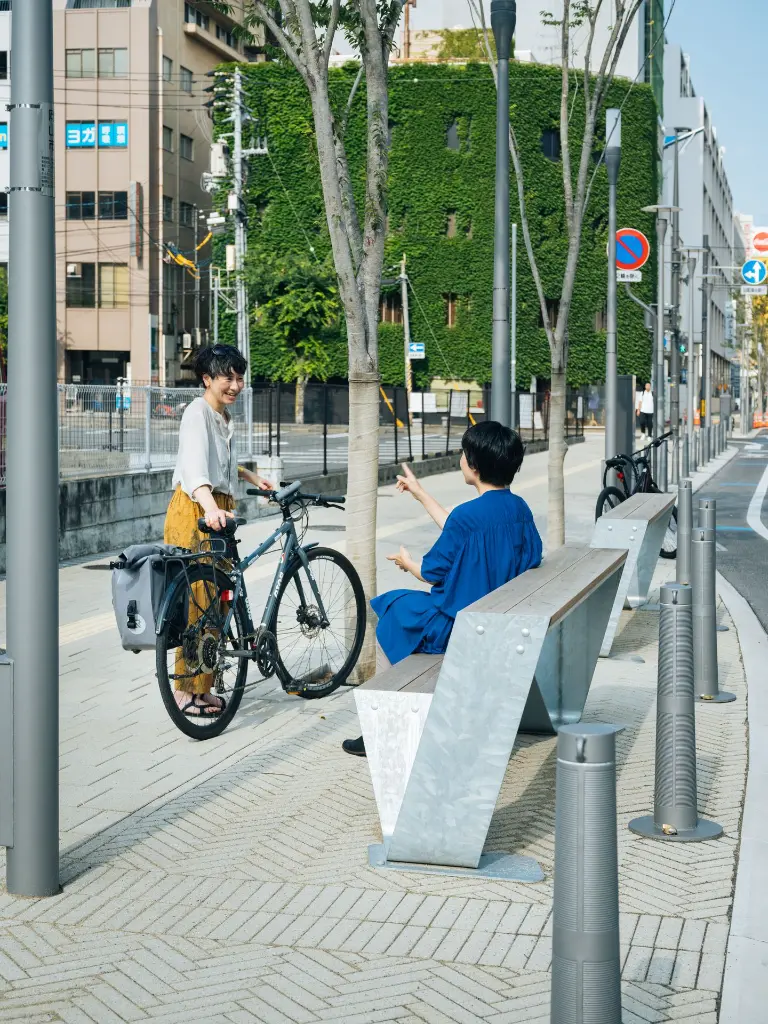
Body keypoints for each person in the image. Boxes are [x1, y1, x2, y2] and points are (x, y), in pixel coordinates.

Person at [342, 420, 543, 757]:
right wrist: (420, 493)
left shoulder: (468, 517)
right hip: (499, 620)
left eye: (465, 454)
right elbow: (467, 531)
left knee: (390, 607)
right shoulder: (518, 509)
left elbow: (432, 572)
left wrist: (408, 564)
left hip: (457, 627)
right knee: (399, 607)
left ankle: (382, 728)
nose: (461, 460)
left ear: (474, 465)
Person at [164, 344, 273, 718]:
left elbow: (222, 462)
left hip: (217, 510)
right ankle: (185, 692)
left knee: (217, 602)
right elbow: (196, 471)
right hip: (196, 509)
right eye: (228, 377)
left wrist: (252, 476)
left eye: (240, 377)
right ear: (207, 379)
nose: (236, 385)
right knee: (198, 599)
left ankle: (204, 686)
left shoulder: (222, 416)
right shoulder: (197, 413)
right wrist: (211, 511)